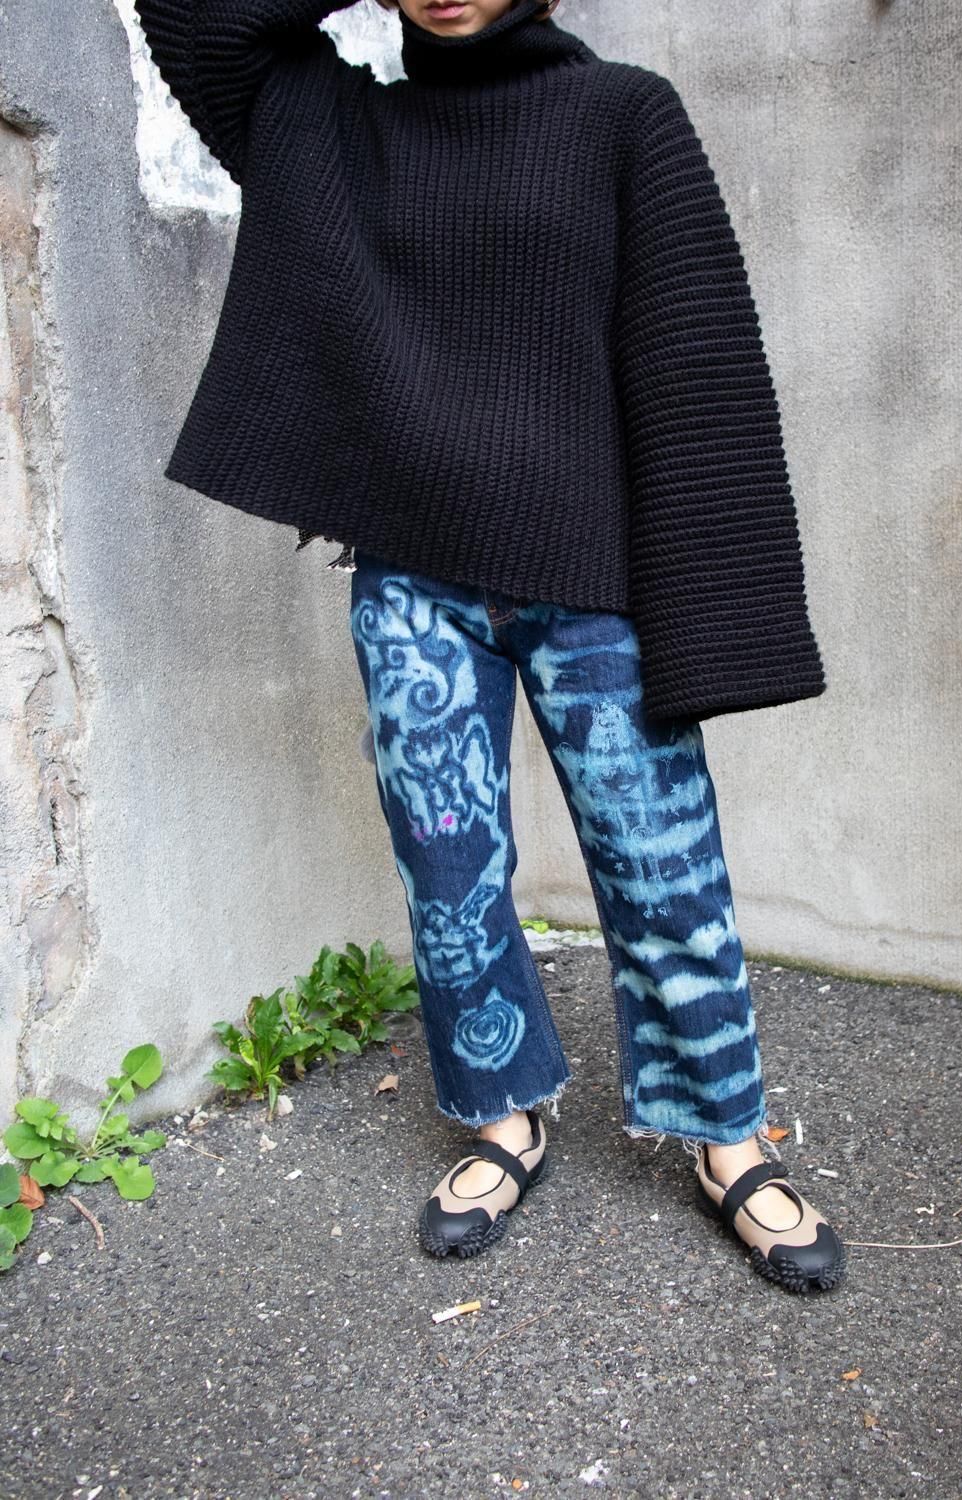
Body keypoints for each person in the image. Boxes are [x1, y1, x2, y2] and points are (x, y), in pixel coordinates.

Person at [135, 0, 845, 1293]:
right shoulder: (334, 122)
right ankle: (503, 1117)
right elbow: (192, 17)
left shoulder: (621, 116)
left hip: (596, 585)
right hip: (413, 576)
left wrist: (706, 611)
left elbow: (693, 363)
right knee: (448, 871)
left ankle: (727, 1139)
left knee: (662, 871)